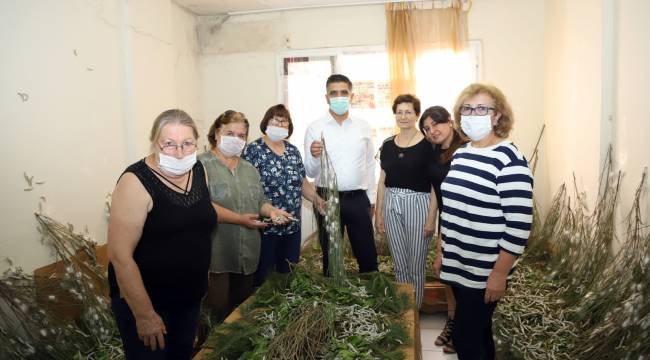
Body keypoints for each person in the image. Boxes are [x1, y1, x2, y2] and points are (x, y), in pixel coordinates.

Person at [433, 84, 533, 360]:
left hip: (485, 270)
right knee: (479, 334)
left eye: (482, 108)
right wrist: (442, 251)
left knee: (466, 339)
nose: (473, 114)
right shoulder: (462, 153)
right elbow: (450, 209)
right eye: (467, 108)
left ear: (497, 115)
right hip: (458, 264)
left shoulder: (509, 159)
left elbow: (519, 226)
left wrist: (499, 274)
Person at [107, 109, 217, 359]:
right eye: (169, 144)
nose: (180, 152)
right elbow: (119, 255)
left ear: (197, 143)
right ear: (154, 143)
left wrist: (201, 279)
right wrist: (144, 315)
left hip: (188, 299)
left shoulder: (199, 171)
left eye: (187, 144)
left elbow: (198, 228)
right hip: (149, 303)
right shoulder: (135, 182)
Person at [199, 110, 292, 322]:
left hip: (248, 253)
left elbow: (260, 202)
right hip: (216, 255)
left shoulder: (249, 169)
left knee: (240, 314)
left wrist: (273, 212)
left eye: (241, 136)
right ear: (216, 133)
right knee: (215, 314)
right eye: (230, 133)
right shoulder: (200, 166)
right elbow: (202, 207)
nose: (236, 139)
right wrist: (240, 219)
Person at [242, 104, 325, 287]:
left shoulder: (293, 151)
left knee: (288, 277)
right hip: (265, 228)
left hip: (291, 228)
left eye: (284, 121)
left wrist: (318, 200)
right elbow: (247, 189)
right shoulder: (253, 151)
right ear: (266, 122)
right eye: (275, 120)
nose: (279, 124)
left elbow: (302, 182)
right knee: (263, 280)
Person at [304, 73, 378, 275]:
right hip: (326, 199)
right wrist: (313, 155)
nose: (339, 97)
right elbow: (309, 172)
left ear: (351, 95)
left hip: (358, 199)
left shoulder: (363, 126)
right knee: (332, 258)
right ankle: (334, 300)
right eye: (333, 93)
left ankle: (372, 300)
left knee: (367, 256)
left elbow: (370, 165)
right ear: (326, 97)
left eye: (343, 92)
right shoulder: (315, 128)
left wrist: (371, 198)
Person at [375, 94, 437, 309]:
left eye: (408, 112)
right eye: (399, 112)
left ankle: (415, 311)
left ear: (416, 115)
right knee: (399, 263)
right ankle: (404, 309)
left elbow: (434, 186)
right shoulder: (387, 144)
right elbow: (382, 181)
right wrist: (378, 213)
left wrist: (431, 219)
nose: (403, 116)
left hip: (418, 204)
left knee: (416, 265)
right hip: (392, 202)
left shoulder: (429, 145)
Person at [420, 105, 468, 354]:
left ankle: (462, 327)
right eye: (427, 128)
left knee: (462, 276)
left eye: (436, 124)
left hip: (467, 221)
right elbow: (436, 189)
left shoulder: (467, 148)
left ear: (450, 121)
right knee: (447, 274)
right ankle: (452, 319)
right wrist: (432, 220)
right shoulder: (434, 151)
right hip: (446, 220)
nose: (432, 131)